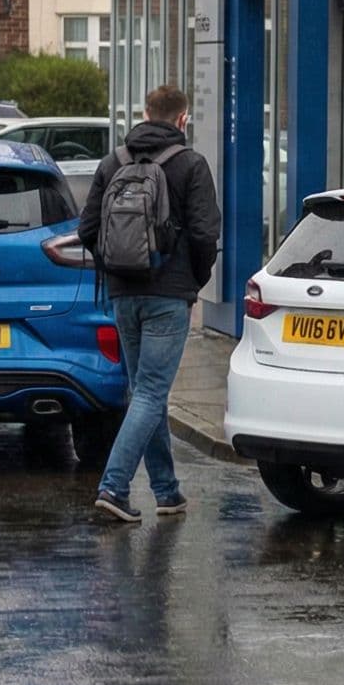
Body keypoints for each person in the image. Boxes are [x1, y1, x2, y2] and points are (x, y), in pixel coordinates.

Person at [77, 84, 220, 522]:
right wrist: (195, 280)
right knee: (151, 393)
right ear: (182, 120)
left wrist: (118, 266)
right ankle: (114, 488)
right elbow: (203, 234)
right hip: (168, 297)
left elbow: (87, 230)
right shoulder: (191, 164)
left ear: (143, 113)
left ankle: (167, 491)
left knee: (144, 392)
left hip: (123, 294)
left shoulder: (112, 162)